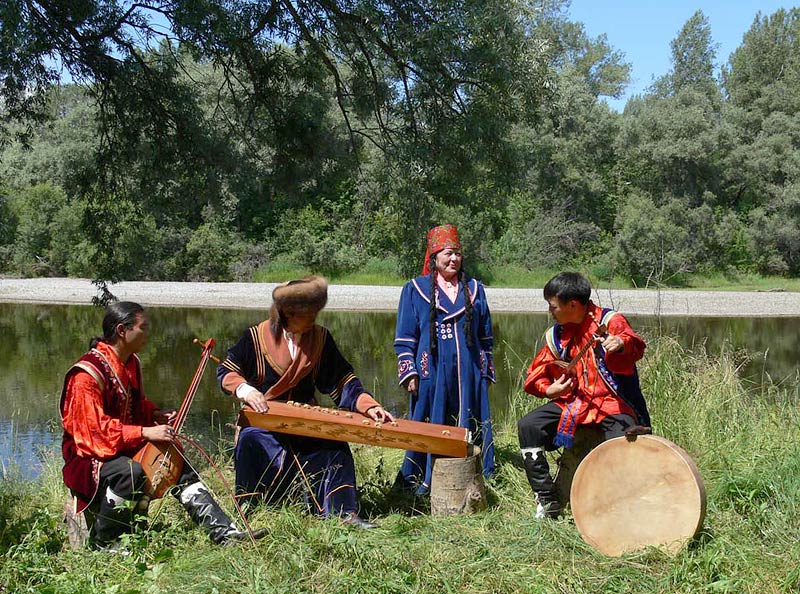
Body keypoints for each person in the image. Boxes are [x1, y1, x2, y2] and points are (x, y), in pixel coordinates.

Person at [60, 301, 263, 549]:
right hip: (87, 458)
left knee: (175, 458)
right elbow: (92, 434)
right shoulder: (86, 374)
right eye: (142, 327)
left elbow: (133, 405)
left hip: (119, 446)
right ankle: (107, 544)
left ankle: (224, 534)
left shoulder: (130, 362)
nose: (148, 333)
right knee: (129, 472)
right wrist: (145, 431)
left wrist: (155, 414)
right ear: (122, 331)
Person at [217, 276, 394, 529]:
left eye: (314, 313)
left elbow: (341, 380)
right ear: (287, 313)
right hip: (264, 419)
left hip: (306, 421)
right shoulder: (255, 337)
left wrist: (369, 405)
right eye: (307, 314)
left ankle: (342, 513)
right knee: (251, 440)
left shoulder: (320, 339)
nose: (313, 319)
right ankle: (254, 508)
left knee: (334, 444)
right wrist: (246, 390)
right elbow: (226, 372)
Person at [517, 272, 651, 518]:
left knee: (622, 449)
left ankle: (621, 509)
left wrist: (619, 344)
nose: (550, 311)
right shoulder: (557, 335)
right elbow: (537, 373)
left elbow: (633, 343)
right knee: (529, 426)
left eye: (553, 306)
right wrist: (549, 389)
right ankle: (547, 500)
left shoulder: (610, 321)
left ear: (573, 305)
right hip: (576, 403)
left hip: (614, 404)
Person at [393, 224, 496, 494]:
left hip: (469, 371)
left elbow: (486, 337)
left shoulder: (474, 289)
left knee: (470, 420)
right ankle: (422, 479)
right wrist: (410, 371)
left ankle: (474, 477)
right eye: (448, 254)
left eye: (458, 254)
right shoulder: (415, 289)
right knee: (430, 422)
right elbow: (405, 337)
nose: (453, 259)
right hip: (432, 372)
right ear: (434, 258)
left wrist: (485, 372)